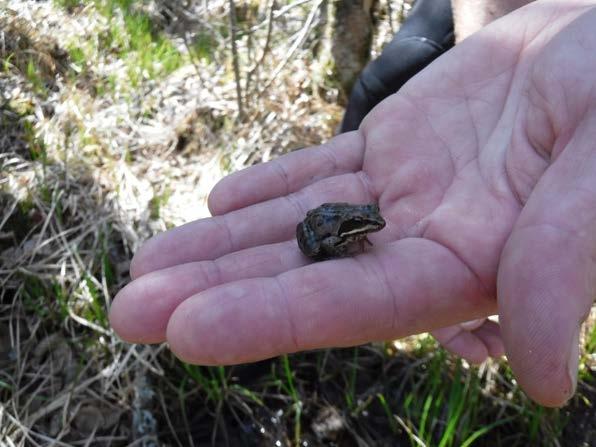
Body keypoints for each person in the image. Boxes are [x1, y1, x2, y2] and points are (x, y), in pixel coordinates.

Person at [109, 0, 596, 408]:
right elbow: (332, 230)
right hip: (324, 227)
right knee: (379, 85)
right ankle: (282, 361)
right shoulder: (353, 228)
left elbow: (358, 223)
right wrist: (499, 46)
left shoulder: (365, 225)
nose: (376, 229)